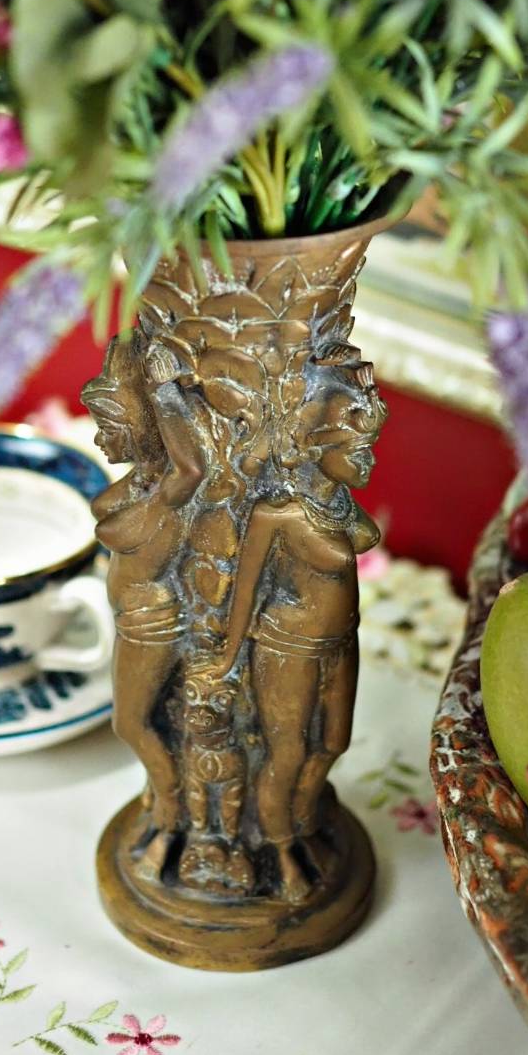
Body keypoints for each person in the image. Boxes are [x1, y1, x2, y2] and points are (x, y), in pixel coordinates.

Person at [207, 364, 387, 901]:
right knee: (286, 752)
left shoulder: (335, 505)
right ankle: (280, 848)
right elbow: (244, 592)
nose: (369, 460)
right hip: (288, 647)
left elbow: (365, 535)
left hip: (340, 642)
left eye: (368, 447)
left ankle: (303, 817)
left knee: (334, 742)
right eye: (356, 448)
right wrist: (227, 654)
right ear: (316, 448)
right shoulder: (276, 514)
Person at [84, 333, 205, 878]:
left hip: (154, 626)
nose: (98, 437)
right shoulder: (140, 486)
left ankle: (172, 811)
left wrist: (168, 394)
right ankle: (166, 804)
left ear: (135, 427)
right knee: (141, 722)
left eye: (108, 426)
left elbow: (193, 469)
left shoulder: (167, 493)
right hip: (131, 620)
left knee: (133, 724)